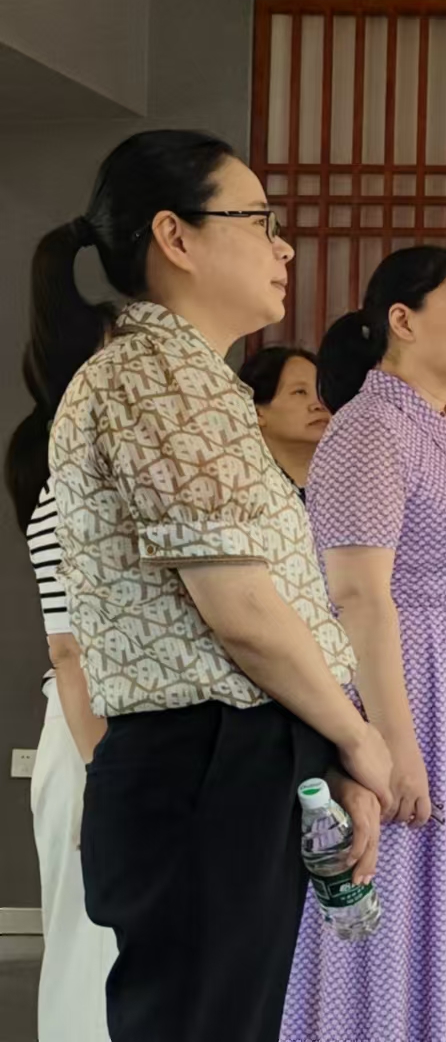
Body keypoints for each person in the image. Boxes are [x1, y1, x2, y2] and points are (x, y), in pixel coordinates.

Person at [33, 130, 391, 1042]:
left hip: (232, 756)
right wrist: (361, 739)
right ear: (176, 236)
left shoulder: (200, 383)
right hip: (202, 760)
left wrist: (328, 747)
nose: (284, 247)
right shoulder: (153, 377)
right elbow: (244, 613)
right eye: (259, 221)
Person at [282, 246, 446, 1042]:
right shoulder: (371, 427)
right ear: (402, 320)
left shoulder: (425, 431)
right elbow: (356, 593)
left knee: (436, 901)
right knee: (386, 907)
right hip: (404, 697)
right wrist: (393, 741)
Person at [6, 292, 117, 1042]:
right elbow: (69, 648)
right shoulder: (67, 487)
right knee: (92, 954)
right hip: (92, 735)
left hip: (106, 736)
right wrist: (106, 769)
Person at [239, 346, 329, 494]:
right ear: (257, 413)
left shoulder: (351, 484)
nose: (319, 405)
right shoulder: (240, 488)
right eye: (300, 392)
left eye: (323, 391)